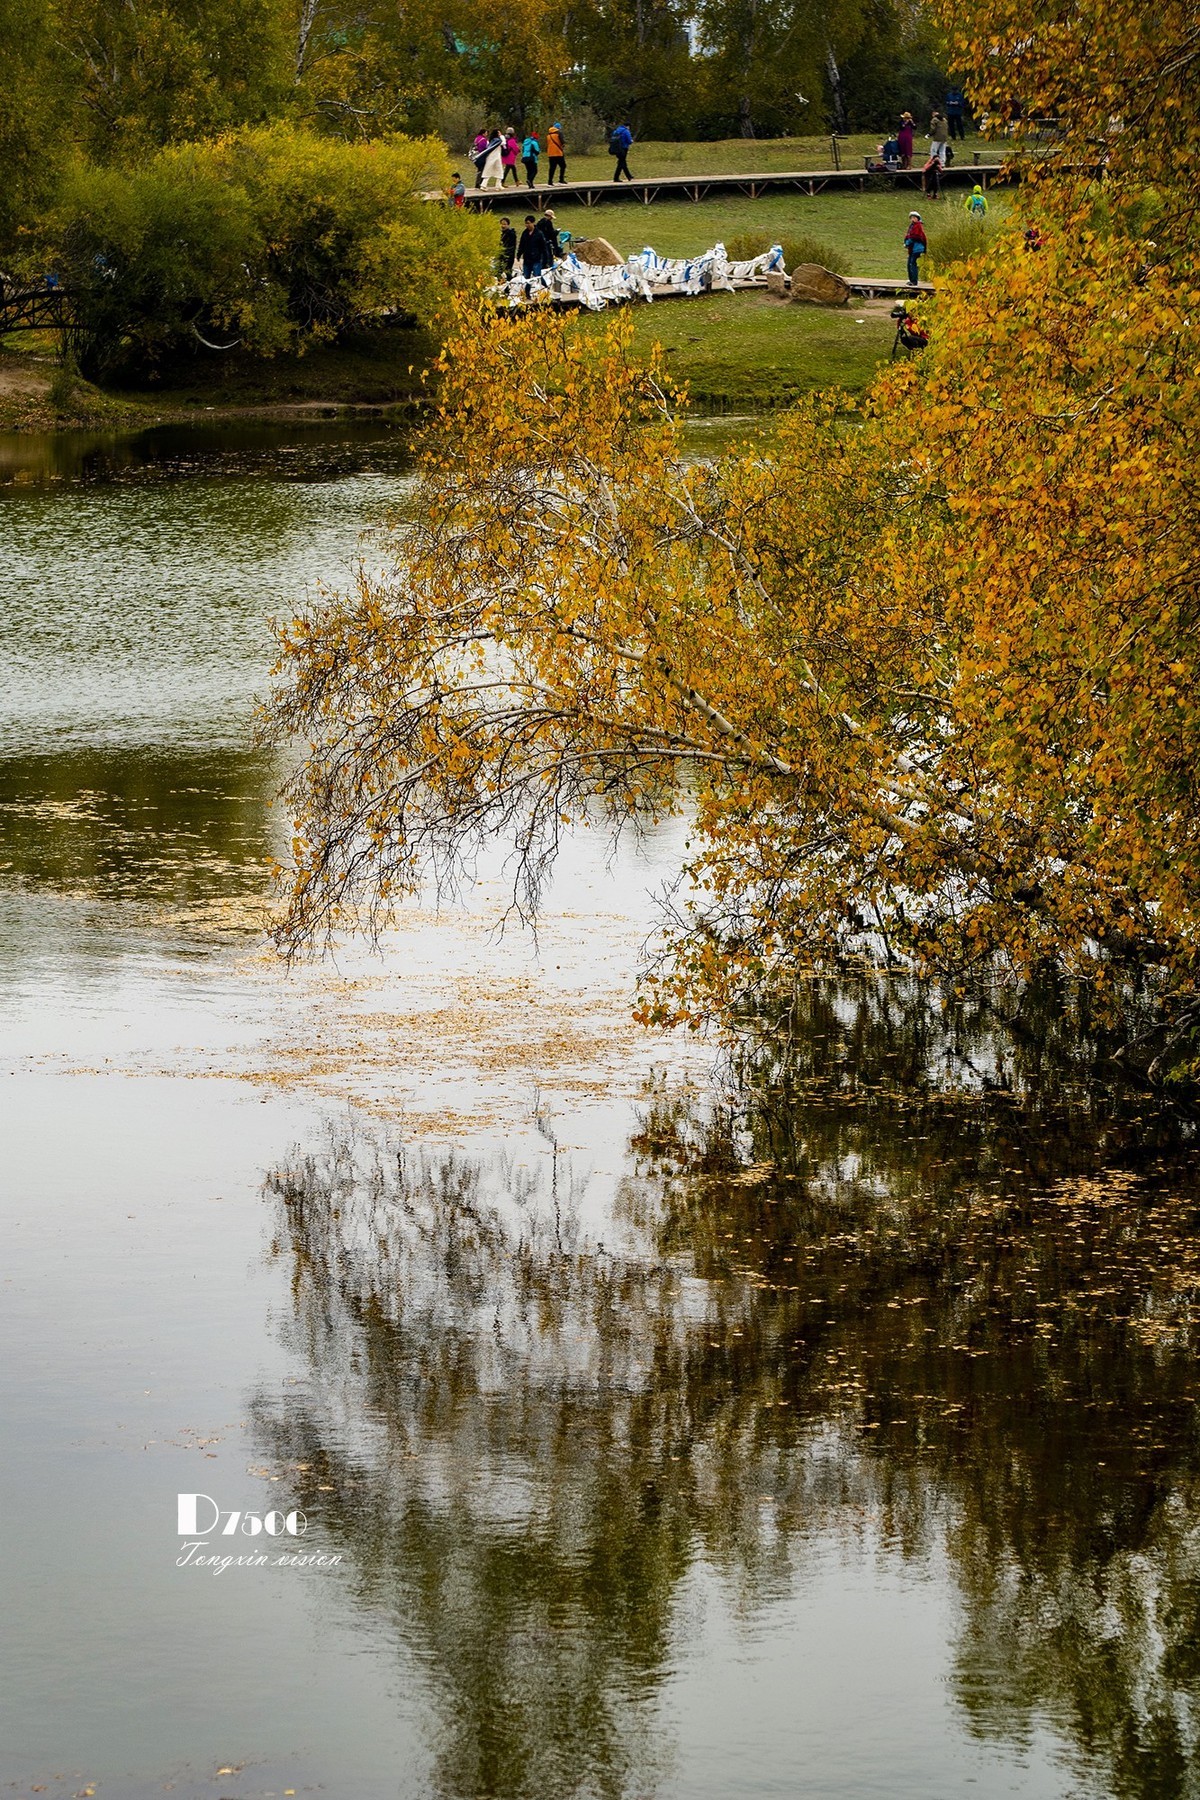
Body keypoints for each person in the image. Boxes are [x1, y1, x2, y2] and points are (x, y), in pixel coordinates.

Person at [518, 214, 543, 283]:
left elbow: (543, 247)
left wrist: (544, 259)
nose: (527, 225)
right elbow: (521, 245)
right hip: (527, 259)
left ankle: (540, 290)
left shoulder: (539, 233)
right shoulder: (524, 233)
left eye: (529, 223)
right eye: (526, 223)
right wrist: (519, 254)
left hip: (536, 259)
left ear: (533, 223)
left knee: (537, 277)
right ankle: (527, 292)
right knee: (526, 278)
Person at [904, 211, 927, 286]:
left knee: (912, 263)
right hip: (913, 249)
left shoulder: (917, 226)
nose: (912, 219)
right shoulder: (912, 226)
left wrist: (907, 243)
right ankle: (912, 280)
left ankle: (914, 281)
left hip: (917, 249)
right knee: (909, 264)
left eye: (914, 218)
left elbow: (914, 237)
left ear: (917, 218)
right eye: (911, 218)